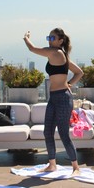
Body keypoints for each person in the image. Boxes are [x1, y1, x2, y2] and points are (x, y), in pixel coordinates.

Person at [23, 28, 84, 175]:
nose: (49, 41)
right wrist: (69, 83)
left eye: (52, 38)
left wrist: (26, 37)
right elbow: (79, 72)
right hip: (53, 98)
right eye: (48, 38)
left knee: (63, 133)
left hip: (63, 98)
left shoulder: (55, 52)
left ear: (60, 41)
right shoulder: (60, 54)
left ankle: (76, 167)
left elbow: (32, 48)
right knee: (47, 131)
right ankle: (52, 164)